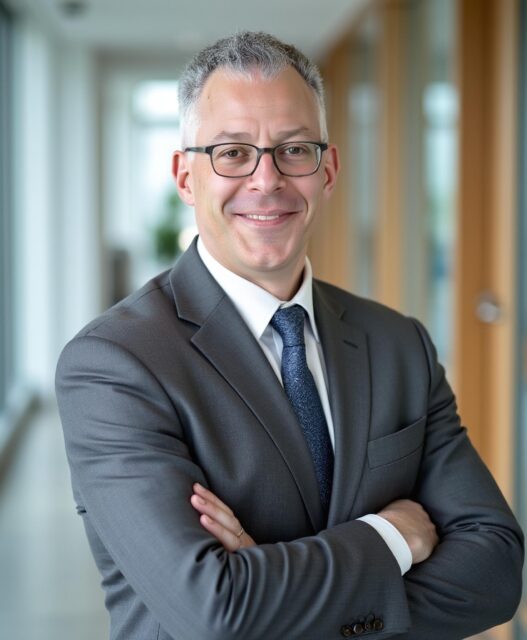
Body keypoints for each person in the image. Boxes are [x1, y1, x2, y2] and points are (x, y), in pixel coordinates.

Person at [56, 31, 523, 640]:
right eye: (232, 153)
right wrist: (391, 536)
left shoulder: (398, 344)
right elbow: (216, 613)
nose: (266, 179)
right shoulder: (115, 364)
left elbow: (496, 571)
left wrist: (270, 591)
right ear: (185, 177)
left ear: (327, 170)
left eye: (294, 149)